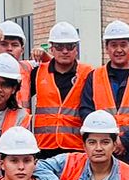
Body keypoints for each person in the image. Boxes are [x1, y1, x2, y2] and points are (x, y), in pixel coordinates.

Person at [79, 20, 129, 170]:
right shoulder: (94, 77)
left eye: (123, 45)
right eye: (114, 45)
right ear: (107, 48)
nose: (119, 49)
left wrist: (124, 141)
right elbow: (86, 111)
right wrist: (108, 140)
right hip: (102, 149)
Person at [32, 21, 92, 157]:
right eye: (59, 47)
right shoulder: (38, 72)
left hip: (76, 147)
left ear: (76, 49)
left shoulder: (88, 73)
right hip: (44, 147)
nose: (65, 51)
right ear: (51, 48)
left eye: (70, 46)